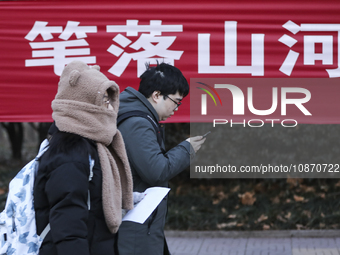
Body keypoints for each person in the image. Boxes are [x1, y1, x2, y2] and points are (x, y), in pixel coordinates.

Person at [34, 61, 134, 255]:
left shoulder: (91, 145)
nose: (110, 107)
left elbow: (89, 200)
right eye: (104, 100)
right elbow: (68, 222)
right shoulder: (71, 153)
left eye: (109, 100)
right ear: (85, 103)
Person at [117, 62, 205, 255]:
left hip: (139, 221)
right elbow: (157, 171)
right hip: (135, 225)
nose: (177, 108)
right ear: (156, 95)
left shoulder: (139, 118)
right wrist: (186, 149)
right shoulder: (137, 123)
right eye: (176, 101)